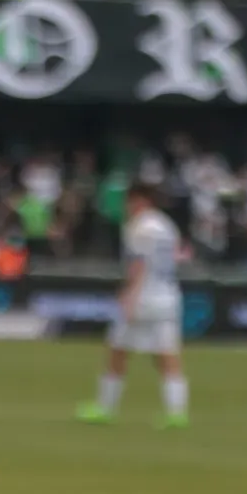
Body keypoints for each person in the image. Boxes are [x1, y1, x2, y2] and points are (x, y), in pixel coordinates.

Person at [76, 180, 189, 429]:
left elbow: (138, 264)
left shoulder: (139, 227)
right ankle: (177, 413)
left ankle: (105, 408)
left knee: (118, 349)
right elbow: (177, 257)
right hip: (168, 295)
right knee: (167, 354)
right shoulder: (166, 225)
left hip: (143, 298)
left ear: (140, 200)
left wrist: (129, 295)